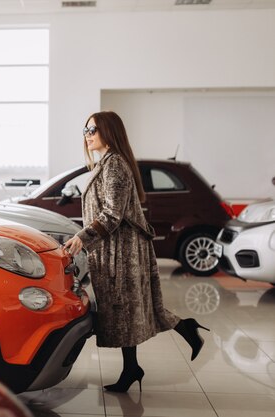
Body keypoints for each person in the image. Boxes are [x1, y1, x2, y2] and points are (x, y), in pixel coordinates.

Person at [64, 111, 209, 393]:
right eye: (85, 130)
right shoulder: (106, 163)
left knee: (124, 307)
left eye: (93, 129)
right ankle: (135, 365)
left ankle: (171, 340)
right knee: (127, 310)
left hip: (123, 252)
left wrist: (83, 237)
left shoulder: (115, 164)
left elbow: (112, 214)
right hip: (114, 249)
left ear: (109, 130)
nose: (88, 135)